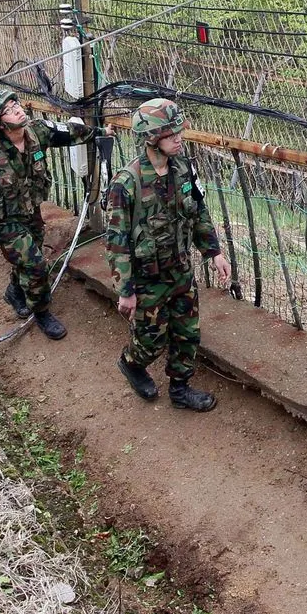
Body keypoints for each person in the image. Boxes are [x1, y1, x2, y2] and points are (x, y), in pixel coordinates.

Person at [106, 98, 233, 411]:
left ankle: (180, 388)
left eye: (179, 132)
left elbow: (197, 210)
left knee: (187, 334)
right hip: (147, 279)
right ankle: (132, 364)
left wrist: (213, 252)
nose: (179, 138)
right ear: (152, 139)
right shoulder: (127, 183)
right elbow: (117, 241)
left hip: (179, 270)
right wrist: (126, 291)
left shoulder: (183, 168)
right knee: (150, 341)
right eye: (171, 134)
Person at [0, 88, 106, 340]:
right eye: (8, 110)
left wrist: (100, 134)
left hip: (30, 213)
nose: (17, 109)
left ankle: (15, 291)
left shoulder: (37, 132)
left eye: (15, 104)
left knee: (28, 257)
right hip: (4, 221)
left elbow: (68, 133)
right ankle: (41, 311)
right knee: (36, 264)